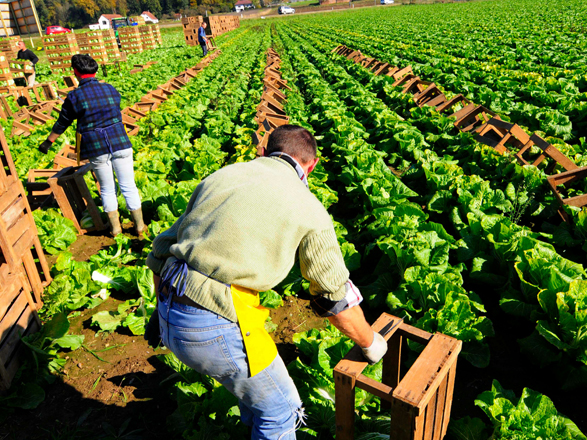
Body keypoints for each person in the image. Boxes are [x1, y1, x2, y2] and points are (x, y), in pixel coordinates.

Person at [145, 125, 387, 440]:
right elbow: (335, 299)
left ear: (263, 150)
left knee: (258, 395)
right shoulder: (309, 209)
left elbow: (161, 250)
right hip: (213, 327)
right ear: (310, 166)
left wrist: (161, 312)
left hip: (168, 306)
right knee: (282, 411)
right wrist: (370, 344)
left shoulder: (221, 177)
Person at [38, 54, 146, 237]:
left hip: (97, 148)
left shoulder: (74, 97)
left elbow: (62, 123)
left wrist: (48, 142)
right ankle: (140, 226)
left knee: (107, 188)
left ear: (75, 73)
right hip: (120, 142)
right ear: (95, 71)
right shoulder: (110, 89)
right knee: (128, 185)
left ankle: (115, 228)